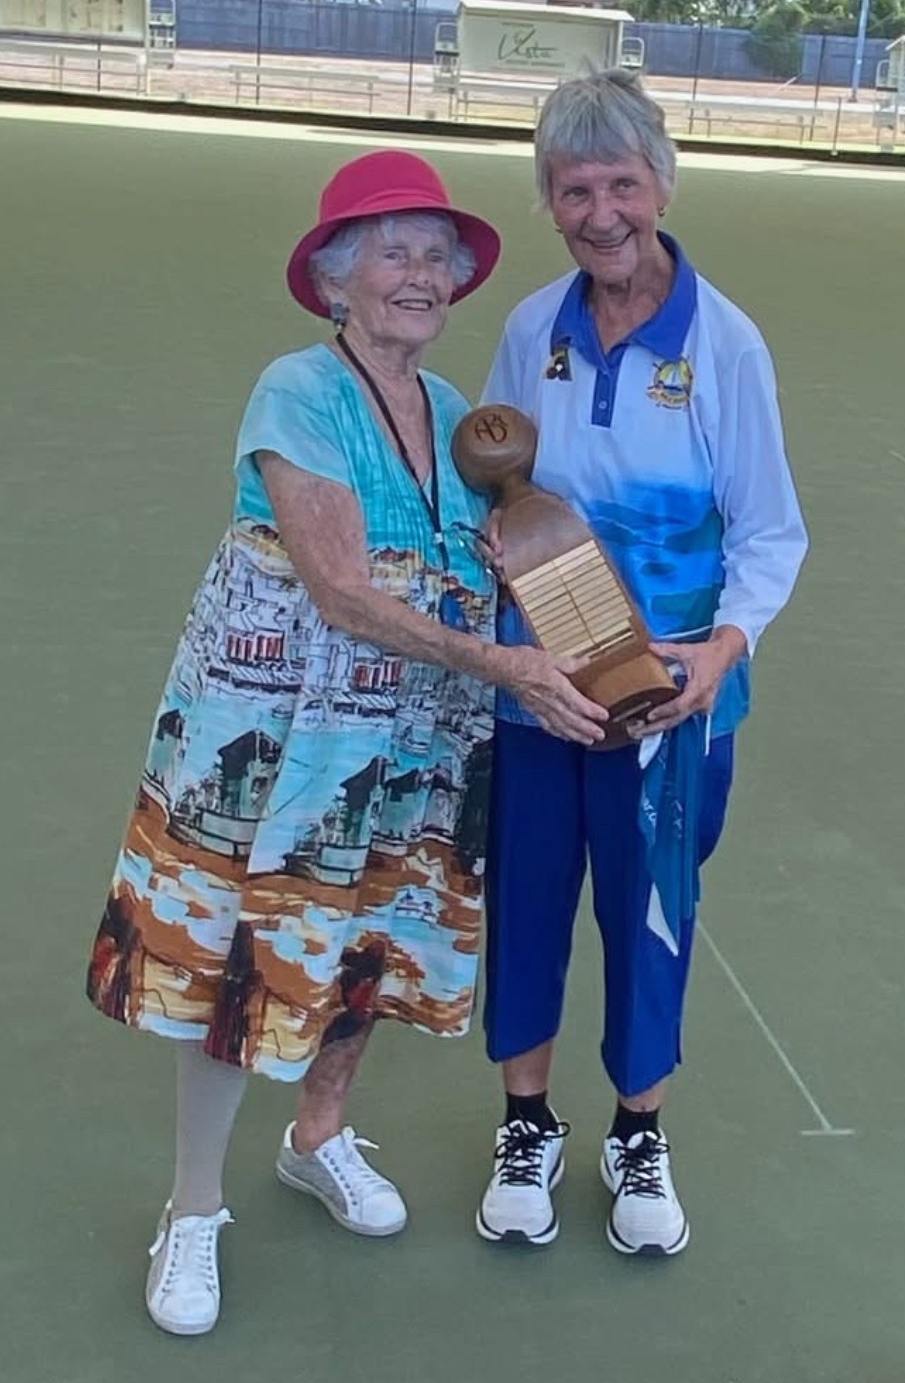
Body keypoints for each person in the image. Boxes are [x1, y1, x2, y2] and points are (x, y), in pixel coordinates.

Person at [86, 149, 606, 1337]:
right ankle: (194, 1206)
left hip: (410, 741)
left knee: (371, 933)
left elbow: (474, 562)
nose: (421, 275)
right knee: (239, 957)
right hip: (283, 739)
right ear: (335, 278)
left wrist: (541, 593)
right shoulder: (299, 391)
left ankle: (316, 1134)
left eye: (437, 255)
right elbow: (340, 590)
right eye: (393, 253)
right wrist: (510, 667)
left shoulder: (456, 412)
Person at [474, 70, 808, 1256]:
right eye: (574, 190)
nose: (601, 212)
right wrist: (497, 558)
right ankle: (525, 1121)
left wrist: (723, 648)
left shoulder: (727, 344)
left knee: (649, 914)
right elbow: (500, 491)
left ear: (663, 184)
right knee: (525, 904)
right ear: (549, 202)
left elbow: (770, 531)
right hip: (538, 690)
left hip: (670, 702)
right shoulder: (532, 330)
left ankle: (637, 1131)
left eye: (621, 183)